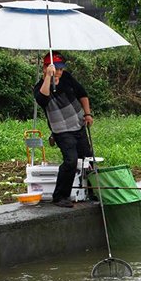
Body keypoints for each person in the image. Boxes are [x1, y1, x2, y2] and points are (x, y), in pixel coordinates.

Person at [34, 51, 93, 208]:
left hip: (78, 125)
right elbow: (43, 99)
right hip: (62, 131)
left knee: (88, 159)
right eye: (56, 69)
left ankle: (92, 190)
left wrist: (87, 114)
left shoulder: (67, 78)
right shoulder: (40, 87)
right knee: (70, 160)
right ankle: (60, 196)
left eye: (61, 69)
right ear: (46, 68)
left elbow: (82, 94)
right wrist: (48, 77)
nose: (59, 72)